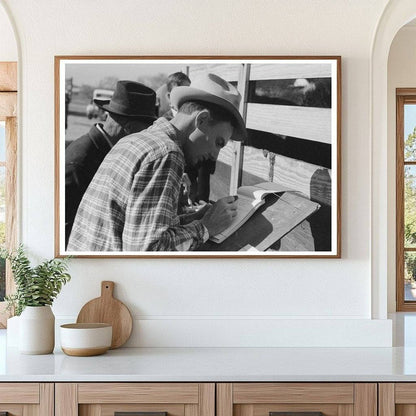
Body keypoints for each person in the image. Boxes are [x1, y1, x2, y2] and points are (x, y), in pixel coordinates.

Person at [67, 73, 247, 252]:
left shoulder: (136, 140)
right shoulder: (167, 153)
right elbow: (147, 250)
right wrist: (207, 227)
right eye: (218, 143)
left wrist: (194, 219)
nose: (215, 155)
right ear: (201, 119)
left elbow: (136, 225)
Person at [65, 80, 157, 247]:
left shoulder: (105, 150)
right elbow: (64, 229)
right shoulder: (80, 162)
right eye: (144, 131)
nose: (145, 138)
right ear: (128, 129)